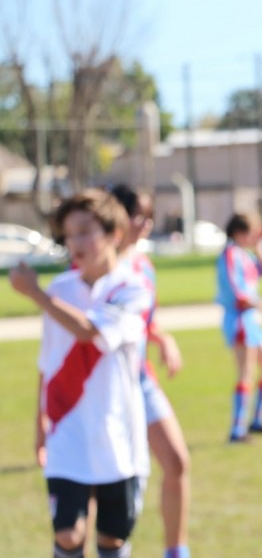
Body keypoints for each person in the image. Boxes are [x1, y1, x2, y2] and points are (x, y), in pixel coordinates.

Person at [10, 189, 150, 558]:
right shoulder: (60, 290)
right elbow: (48, 361)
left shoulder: (131, 289)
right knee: (69, 535)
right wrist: (40, 426)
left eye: (86, 230)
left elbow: (91, 332)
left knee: (111, 539)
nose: (76, 242)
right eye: (69, 234)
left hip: (118, 439)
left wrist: (35, 294)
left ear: (114, 234)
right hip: (67, 434)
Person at [108, 184, 192, 558]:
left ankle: (176, 552)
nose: (144, 224)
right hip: (106, 386)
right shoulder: (97, 265)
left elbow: (143, 324)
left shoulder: (144, 267)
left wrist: (163, 338)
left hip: (141, 380)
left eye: (148, 216)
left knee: (176, 462)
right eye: (136, 215)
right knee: (112, 481)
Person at [215, 212, 262, 443]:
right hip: (240, 319)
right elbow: (238, 294)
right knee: (246, 373)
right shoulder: (230, 256)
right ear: (240, 233)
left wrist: (259, 246)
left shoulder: (244, 255)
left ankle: (256, 421)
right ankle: (237, 430)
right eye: (251, 232)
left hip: (251, 320)